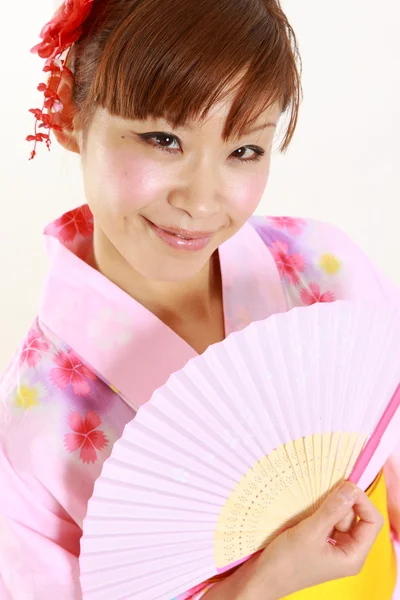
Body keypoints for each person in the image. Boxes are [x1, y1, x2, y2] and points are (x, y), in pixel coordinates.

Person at [0, 0, 399, 598]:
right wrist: (260, 583)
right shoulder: (34, 434)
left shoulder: (323, 269)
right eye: (163, 139)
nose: (204, 202)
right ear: (67, 108)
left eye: (245, 151)